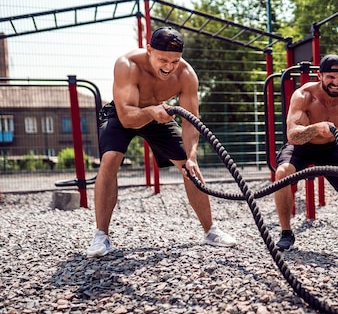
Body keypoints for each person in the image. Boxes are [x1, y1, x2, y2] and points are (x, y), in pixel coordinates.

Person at [87, 26, 237, 257]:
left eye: (175, 61)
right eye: (163, 59)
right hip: (123, 114)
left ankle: (210, 231)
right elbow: (127, 118)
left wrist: (193, 156)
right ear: (149, 50)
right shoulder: (127, 65)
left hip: (159, 115)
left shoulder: (186, 75)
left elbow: (190, 122)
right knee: (110, 159)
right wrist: (150, 112)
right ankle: (101, 237)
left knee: (189, 166)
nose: (168, 67)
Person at [274, 54, 338, 261]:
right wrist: (315, 128)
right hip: (301, 146)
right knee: (282, 173)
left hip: (330, 148)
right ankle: (286, 233)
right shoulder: (303, 95)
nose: (336, 83)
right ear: (320, 75)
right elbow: (292, 135)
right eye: (331, 77)